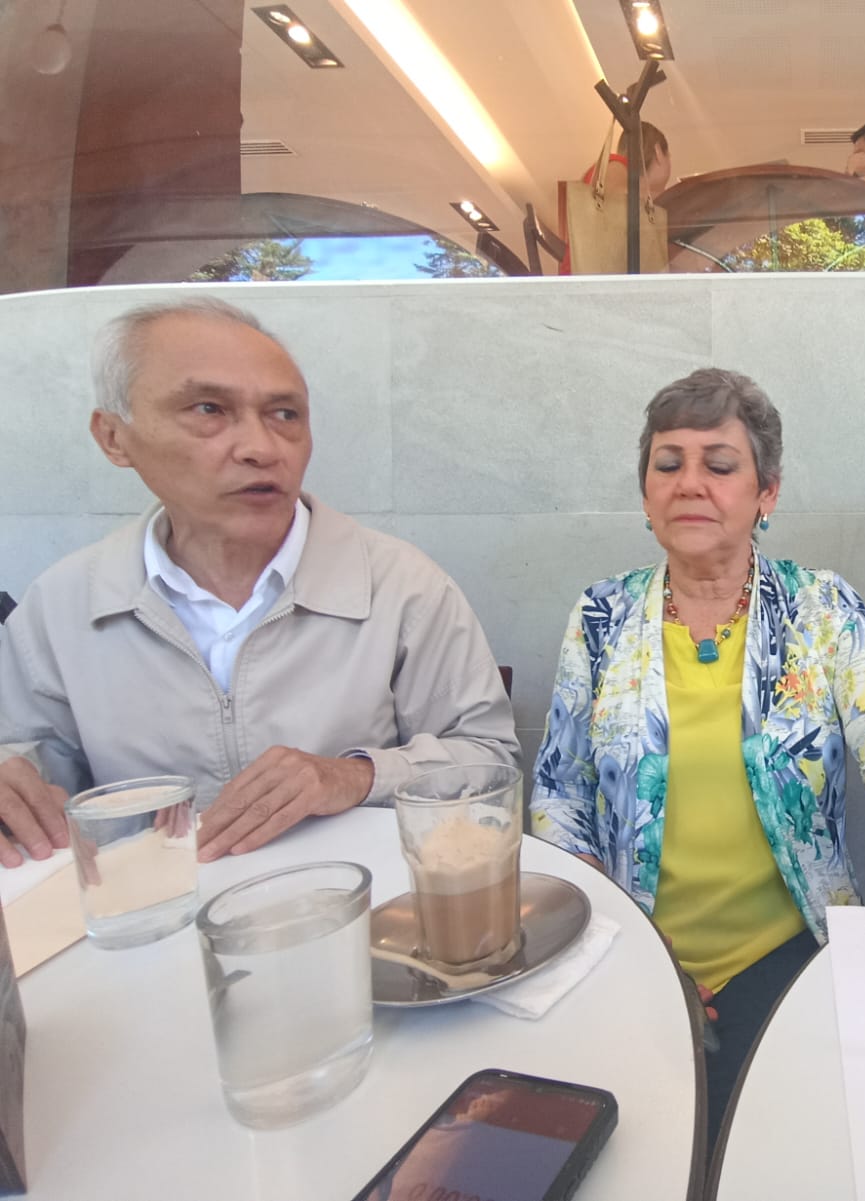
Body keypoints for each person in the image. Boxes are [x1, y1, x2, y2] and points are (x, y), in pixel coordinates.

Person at [532, 367, 865, 1139]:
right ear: (646, 494)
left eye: (720, 465)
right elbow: (558, 793)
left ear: (767, 493)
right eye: (668, 463)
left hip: (788, 954)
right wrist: (619, 935)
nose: (690, 483)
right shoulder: (600, 615)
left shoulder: (820, 608)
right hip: (634, 950)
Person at [0, 298, 519, 868]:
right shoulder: (62, 607)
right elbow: (29, 761)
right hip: (151, 908)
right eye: (209, 409)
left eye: (285, 415)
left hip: (358, 901)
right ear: (113, 437)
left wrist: (353, 776)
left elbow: (489, 761)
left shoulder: (402, 588)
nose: (262, 448)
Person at [559, 121, 672, 275]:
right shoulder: (615, 165)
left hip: (597, 281)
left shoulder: (614, 169)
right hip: (586, 283)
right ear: (658, 152)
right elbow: (622, 201)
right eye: (668, 156)